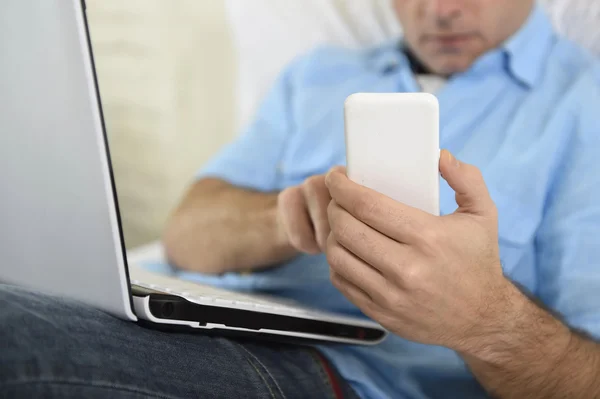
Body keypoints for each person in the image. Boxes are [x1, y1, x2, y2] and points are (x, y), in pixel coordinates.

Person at [2, 0, 600, 398]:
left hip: (340, 374)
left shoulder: (581, 102)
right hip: (201, 317)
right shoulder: (318, 73)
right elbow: (188, 232)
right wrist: (283, 220)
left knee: (17, 343)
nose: (439, 10)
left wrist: (485, 321)